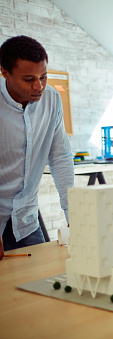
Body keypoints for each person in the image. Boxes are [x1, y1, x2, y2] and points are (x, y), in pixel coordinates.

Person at [0, 36, 74, 260]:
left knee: (43, 280)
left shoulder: (51, 99)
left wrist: (74, 214)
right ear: (4, 72)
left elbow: (60, 156)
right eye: (29, 79)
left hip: (26, 219)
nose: (39, 86)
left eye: (43, 77)